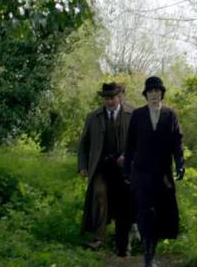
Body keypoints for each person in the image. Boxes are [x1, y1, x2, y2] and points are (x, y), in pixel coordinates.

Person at [124, 76, 185, 267]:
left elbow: (177, 142)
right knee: (145, 213)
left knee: (160, 214)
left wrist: (180, 163)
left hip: (162, 174)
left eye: (157, 91)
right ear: (146, 94)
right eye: (150, 91)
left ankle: (151, 253)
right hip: (142, 173)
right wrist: (127, 169)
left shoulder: (170, 115)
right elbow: (130, 144)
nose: (154, 94)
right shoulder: (138, 115)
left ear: (162, 93)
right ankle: (147, 258)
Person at [78, 81, 134, 256]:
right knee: (99, 194)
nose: (110, 101)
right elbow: (84, 144)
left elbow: (140, 141)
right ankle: (98, 237)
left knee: (124, 202)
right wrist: (82, 165)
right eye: (106, 98)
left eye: (113, 97)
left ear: (120, 96)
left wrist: (128, 156)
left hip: (124, 168)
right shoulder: (93, 117)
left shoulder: (132, 114)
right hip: (101, 166)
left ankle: (123, 241)